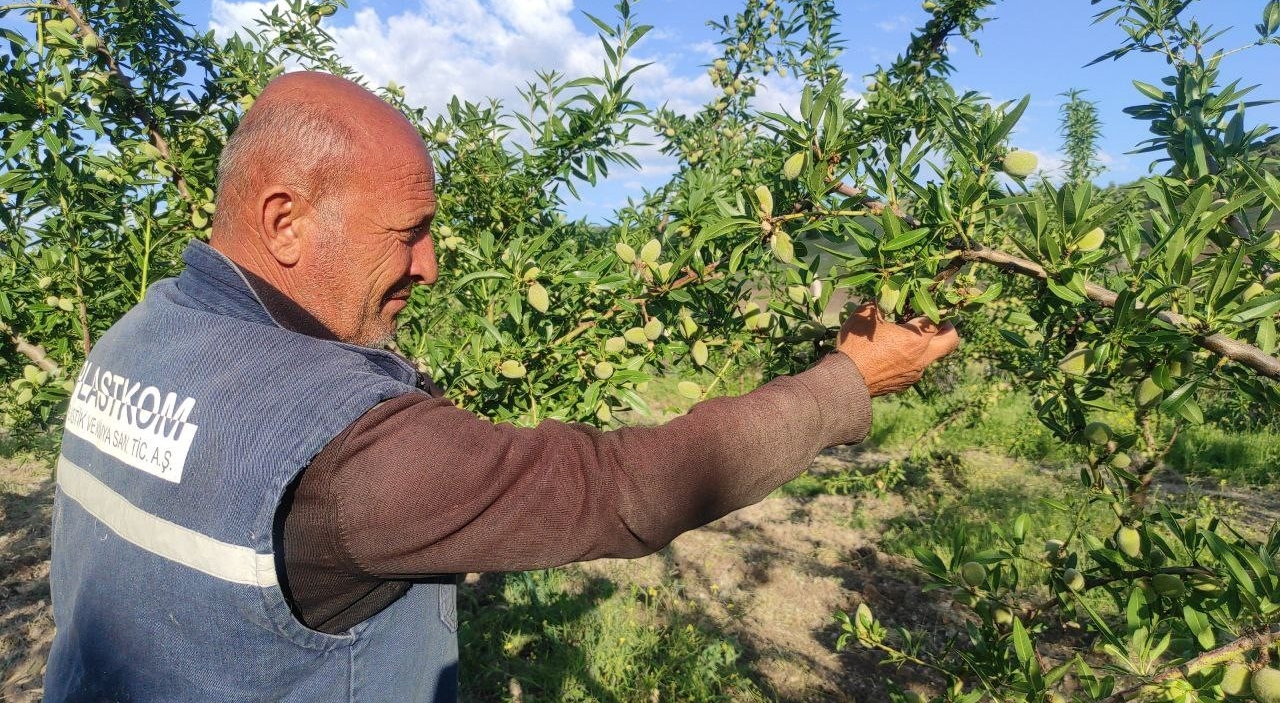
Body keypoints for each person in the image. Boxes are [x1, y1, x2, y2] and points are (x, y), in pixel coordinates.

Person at [43, 72, 959, 702]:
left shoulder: (140, 337)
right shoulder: (345, 452)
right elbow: (621, 493)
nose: (431, 267)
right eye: (409, 231)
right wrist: (849, 381)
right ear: (284, 220)